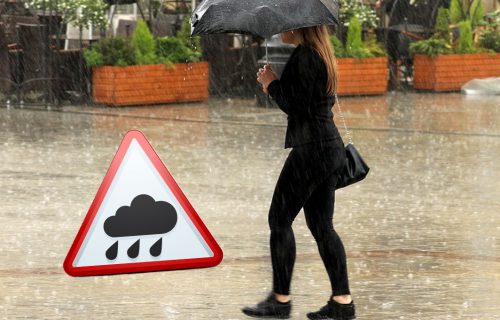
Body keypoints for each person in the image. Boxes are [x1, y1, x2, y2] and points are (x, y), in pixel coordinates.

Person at [241, 25, 356, 320]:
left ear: (298, 27)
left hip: (311, 150)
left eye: (284, 26)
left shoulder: (306, 57)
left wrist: (271, 84)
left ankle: (280, 300)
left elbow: (296, 106)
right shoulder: (319, 55)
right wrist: (277, 84)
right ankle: (342, 303)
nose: (279, 30)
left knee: (279, 219)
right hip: (328, 148)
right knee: (322, 226)